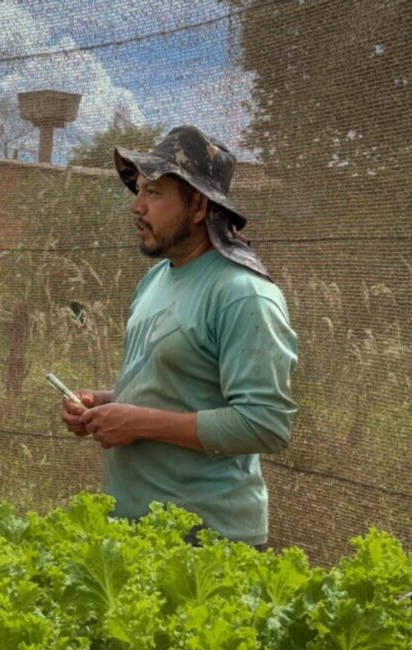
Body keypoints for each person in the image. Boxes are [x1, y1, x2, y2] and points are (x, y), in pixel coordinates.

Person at [60, 125, 297, 548]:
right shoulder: (156, 280)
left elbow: (264, 424)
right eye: (138, 191)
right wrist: (104, 404)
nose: (136, 207)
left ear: (198, 206)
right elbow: (177, 387)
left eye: (153, 193)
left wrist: (139, 423)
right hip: (134, 531)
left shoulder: (244, 294)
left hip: (208, 543)